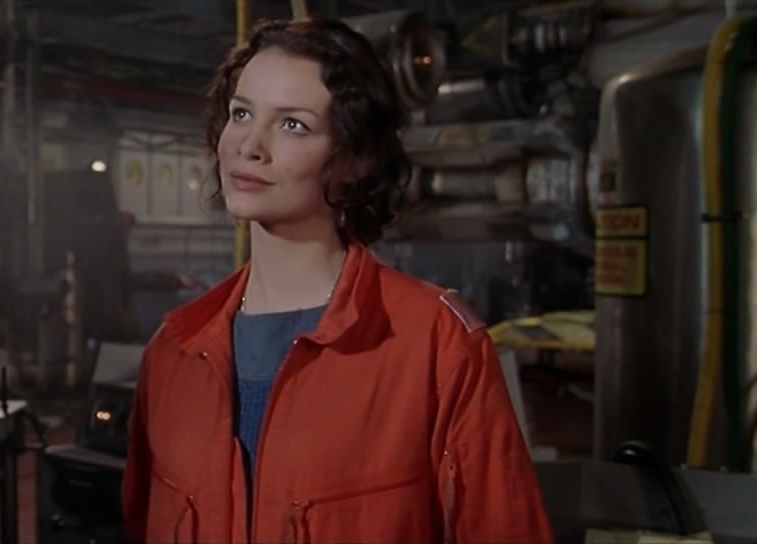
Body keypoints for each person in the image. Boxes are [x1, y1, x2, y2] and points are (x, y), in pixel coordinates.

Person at [120, 17, 554, 544]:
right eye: (241, 113)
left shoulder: (435, 347)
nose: (249, 145)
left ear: (357, 159)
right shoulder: (173, 352)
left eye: (293, 124)